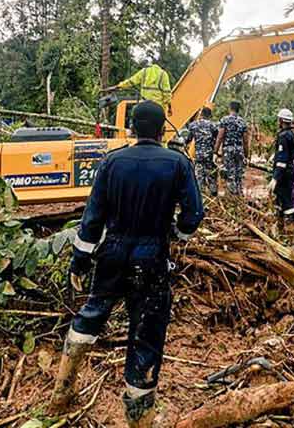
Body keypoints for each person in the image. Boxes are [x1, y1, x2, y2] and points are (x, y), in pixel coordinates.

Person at [51, 101, 204, 427]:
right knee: (146, 335)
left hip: (112, 255)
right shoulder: (178, 163)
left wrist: (79, 261)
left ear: (132, 128)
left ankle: (62, 391)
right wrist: (177, 232)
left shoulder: (112, 162)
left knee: (91, 313)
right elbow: (193, 215)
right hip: (152, 259)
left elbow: (92, 219)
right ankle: (139, 420)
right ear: (163, 129)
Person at [268, 109, 294, 230]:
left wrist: (275, 178)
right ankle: (280, 227)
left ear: (281, 120)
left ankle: (290, 229)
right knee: (281, 199)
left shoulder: (284, 136)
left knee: (286, 200)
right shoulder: (292, 135)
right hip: (289, 171)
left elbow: (282, 160)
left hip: (284, 174)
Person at [214, 101, 249, 196]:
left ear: (230, 108)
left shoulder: (225, 120)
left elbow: (220, 137)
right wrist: (246, 155)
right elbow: (245, 141)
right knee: (238, 175)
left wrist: (215, 152)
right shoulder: (243, 122)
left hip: (228, 150)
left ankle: (231, 197)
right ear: (238, 110)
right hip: (239, 150)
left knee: (229, 174)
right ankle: (239, 195)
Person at [108, 62, 172, 111]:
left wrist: (118, 86)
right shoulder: (163, 74)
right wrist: (169, 107)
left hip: (144, 104)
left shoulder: (144, 71)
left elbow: (131, 81)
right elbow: (167, 93)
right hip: (158, 107)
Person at [186, 107, 219, 196]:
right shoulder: (213, 126)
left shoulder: (193, 125)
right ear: (210, 116)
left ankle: (201, 196)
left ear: (201, 114)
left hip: (199, 155)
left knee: (199, 176)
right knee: (211, 174)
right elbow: (217, 138)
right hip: (209, 155)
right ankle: (213, 194)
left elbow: (188, 139)